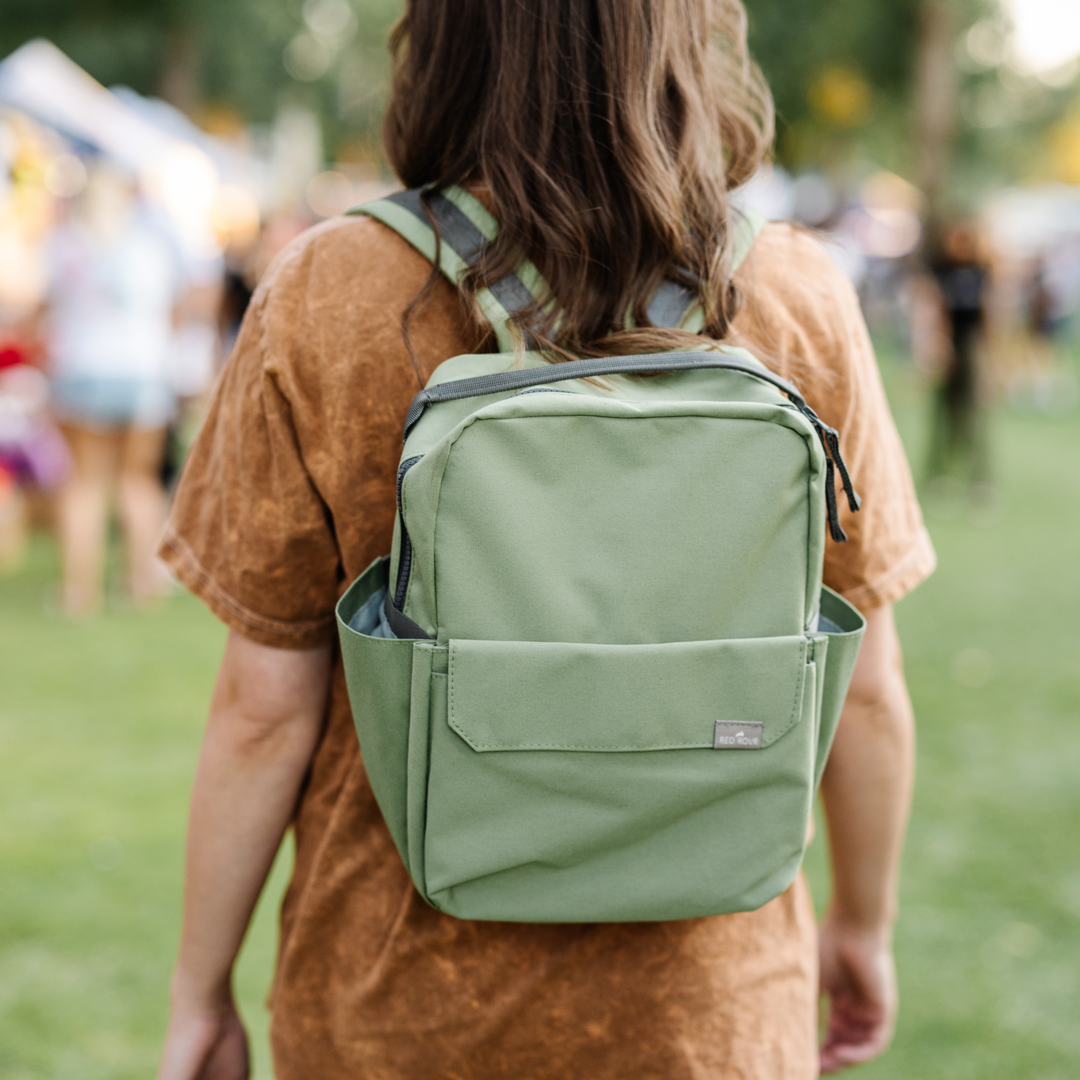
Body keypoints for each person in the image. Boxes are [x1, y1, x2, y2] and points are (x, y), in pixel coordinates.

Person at [157, 1, 935, 1077]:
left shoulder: (329, 292)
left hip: (393, 1012)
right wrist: (865, 926)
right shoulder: (796, 295)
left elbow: (260, 710)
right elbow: (870, 692)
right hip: (706, 1016)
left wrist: (201, 991)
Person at [45, 159, 185, 615]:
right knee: (137, 480)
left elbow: (44, 303)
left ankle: (78, 592)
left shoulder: (66, 244)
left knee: (84, 483)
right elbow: (173, 307)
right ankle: (143, 582)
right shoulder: (152, 245)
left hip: (83, 370)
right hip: (142, 372)